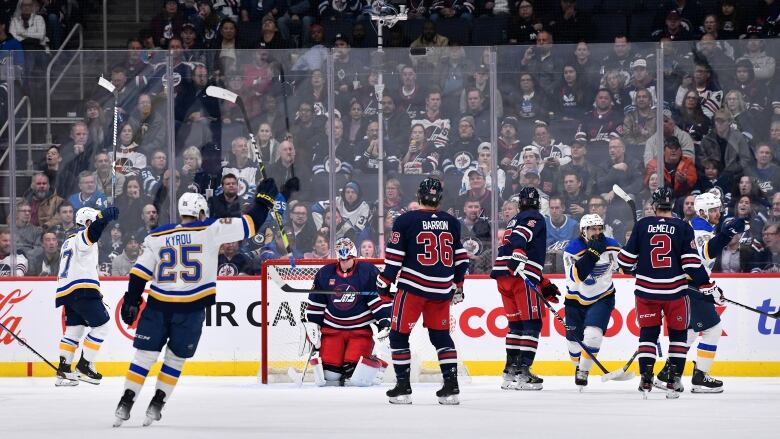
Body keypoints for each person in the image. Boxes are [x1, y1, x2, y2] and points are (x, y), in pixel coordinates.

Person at [113, 178, 280, 427]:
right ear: (201, 212)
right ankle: (157, 403)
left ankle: (126, 401)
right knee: (175, 359)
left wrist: (132, 300)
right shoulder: (211, 229)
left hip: (159, 305)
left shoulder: (158, 235)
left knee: (144, 357)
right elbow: (251, 224)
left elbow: (139, 274)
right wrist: (264, 202)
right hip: (191, 309)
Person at [617, 187, 721, 397]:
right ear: (672, 205)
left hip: (646, 292)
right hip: (675, 293)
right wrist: (705, 284)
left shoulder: (642, 225)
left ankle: (646, 379)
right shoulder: (683, 226)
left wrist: (636, 268)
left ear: (654, 205)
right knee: (678, 336)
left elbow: (624, 262)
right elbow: (691, 263)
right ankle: (673, 381)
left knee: (648, 334)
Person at [376, 178, 469, 405]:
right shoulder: (452, 222)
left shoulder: (405, 220)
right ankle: (451, 386)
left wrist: (384, 281)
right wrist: (458, 285)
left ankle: (403, 388)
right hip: (442, 289)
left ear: (419, 195)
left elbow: (395, 258)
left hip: (414, 288)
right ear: (440, 197)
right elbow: (461, 259)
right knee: (440, 336)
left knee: (398, 335)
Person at [654, 192, 747, 393]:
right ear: (703, 211)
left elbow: (700, 262)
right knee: (712, 329)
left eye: (718, 209)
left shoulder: (701, 226)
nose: (718, 213)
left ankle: (667, 374)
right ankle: (697, 377)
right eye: (713, 210)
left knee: (692, 332)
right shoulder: (699, 228)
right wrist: (726, 235)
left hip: (691, 285)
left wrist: (710, 286)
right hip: (690, 287)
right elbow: (705, 254)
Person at [490, 186, 561, 390]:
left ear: (519, 202)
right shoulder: (535, 216)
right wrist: (519, 252)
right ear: (538, 203)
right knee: (532, 323)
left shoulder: (516, 217)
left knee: (517, 325)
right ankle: (523, 373)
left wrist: (542, 282)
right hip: (518, 275)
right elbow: (522, 237)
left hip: (504, 275)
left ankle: (510, 372)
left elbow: (518, 238)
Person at [302, 238, 391, 387]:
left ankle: (376, 362)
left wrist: (383, 322)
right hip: (332, 330)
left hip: (359, 331)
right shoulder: (325, 273)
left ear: (354, 256)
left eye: (348, 259)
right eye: (341, 259)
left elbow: (376, 299)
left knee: (354, 377)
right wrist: (313, 325)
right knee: (330, 377)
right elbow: (317, 302)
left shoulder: (367, 271)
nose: (345, 263)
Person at [54, 206, 120, 386]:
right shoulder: (82, 237)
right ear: (88, 223)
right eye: (94, 222)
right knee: (102, 326)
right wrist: (103, 218)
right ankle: (84, 366)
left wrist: (102, 219)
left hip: (67, 292)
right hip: (82, 289)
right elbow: (93, 232)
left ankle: (64, 371)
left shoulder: (68, 241)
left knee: (74, 330)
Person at [562, 214, 621, 389]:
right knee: (573, 342)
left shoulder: (612, 245)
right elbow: (577, 277)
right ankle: (578, 366)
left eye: (599, 228)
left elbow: (625, 265)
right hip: (575, 299)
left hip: (603, 297)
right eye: (592, 229)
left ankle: (583, 371)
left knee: (593, 336)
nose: (596, 232)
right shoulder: (572, 249)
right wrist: (592, 254)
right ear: (583, 231)